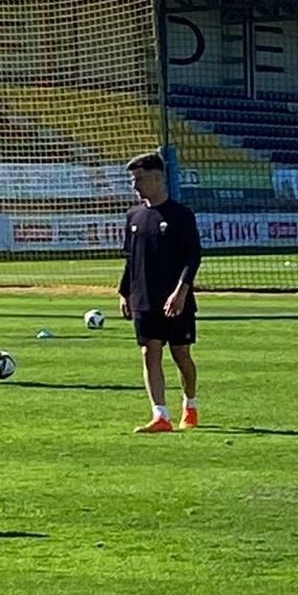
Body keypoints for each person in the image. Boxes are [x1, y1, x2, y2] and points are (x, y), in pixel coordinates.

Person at [117, 152, 203, 434]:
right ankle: (160, 416)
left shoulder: (181, 215)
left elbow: (193, 257)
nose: (135, 185)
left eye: (139, 179)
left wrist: (181, 291)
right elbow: (131, 258)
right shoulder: (133, 216)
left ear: (157, 177)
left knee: (181, 355)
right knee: (148, 351)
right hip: (144, 297)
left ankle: (189, 404)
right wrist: (124, 291)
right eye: (133, 180)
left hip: (176, 300)